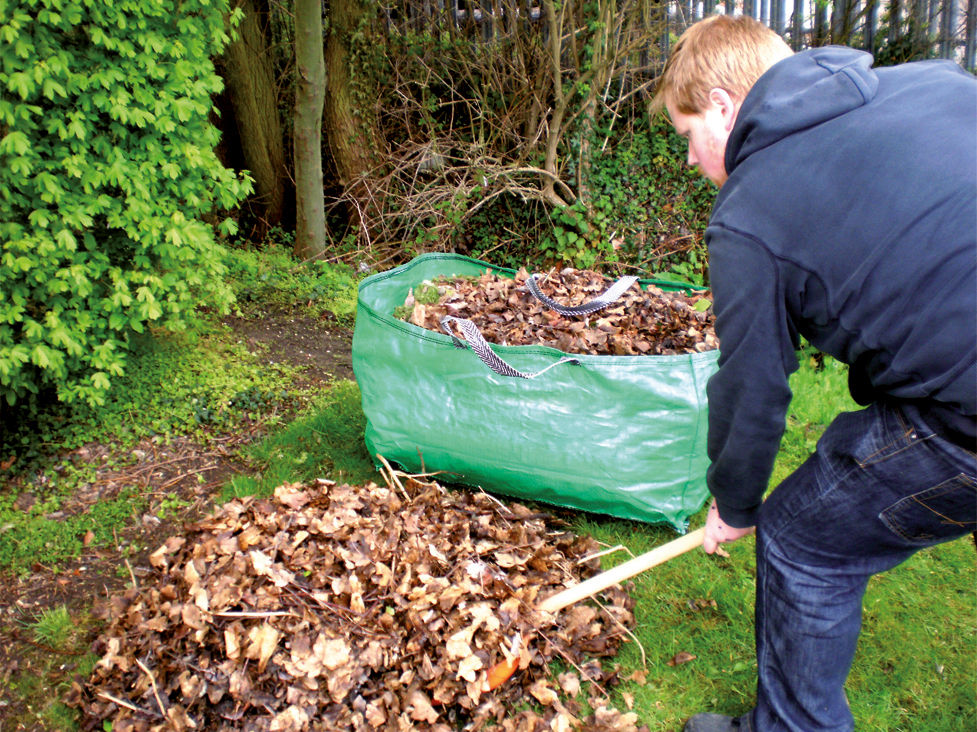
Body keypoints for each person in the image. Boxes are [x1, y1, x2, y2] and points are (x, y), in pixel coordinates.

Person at [649, 14, 977, 732]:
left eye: (686, 137)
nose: (691, 161)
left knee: (803, 537)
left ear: (722, 107)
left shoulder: (749, 213)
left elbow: (753, 383)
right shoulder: (930, 81)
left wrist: (734, 504)